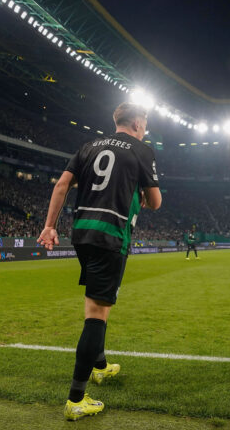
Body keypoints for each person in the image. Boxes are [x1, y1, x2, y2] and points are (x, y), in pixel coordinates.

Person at [37, 102, 162, 421]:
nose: (145, 127)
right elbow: (156, 202)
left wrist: (50, 226)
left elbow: (62, 185)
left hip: (81, 232)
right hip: (111, 235)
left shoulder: (89, 146)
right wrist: (144, 193)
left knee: (96, 300)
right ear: (135, 123)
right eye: (145, 122)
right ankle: (75, 399)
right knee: (97, 313)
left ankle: (101, 366)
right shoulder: (142, 150)